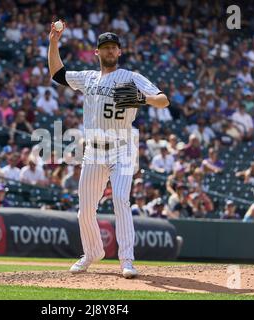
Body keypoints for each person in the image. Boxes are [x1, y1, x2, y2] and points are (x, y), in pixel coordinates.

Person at [48, 24, 169, 278]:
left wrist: (140, 97)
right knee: (85, 209)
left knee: (121, 200)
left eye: (113, 47)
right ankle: (92, 253)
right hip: (93, 152)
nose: (110, 51)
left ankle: (126, 260)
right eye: (105, 48)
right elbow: (58, 74)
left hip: (122, 150)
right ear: (97, 52)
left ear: (120, 51)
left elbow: (163, 99)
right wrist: (53, 42)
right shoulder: (88, 77)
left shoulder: (131, 77)